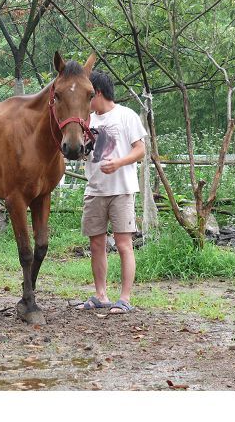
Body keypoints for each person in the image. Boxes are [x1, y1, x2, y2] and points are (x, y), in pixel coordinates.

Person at [77, 70, 146, 314]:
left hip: (122, 190)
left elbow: (140, 150)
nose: (87, 103)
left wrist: (119, 163)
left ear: (98, 93)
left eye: (88, 96)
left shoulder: (126, 116)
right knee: (96, 244)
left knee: (123, 243)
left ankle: (125, 298)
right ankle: (100, 294)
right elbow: (85, 152)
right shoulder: (88, 120)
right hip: (94, 189)